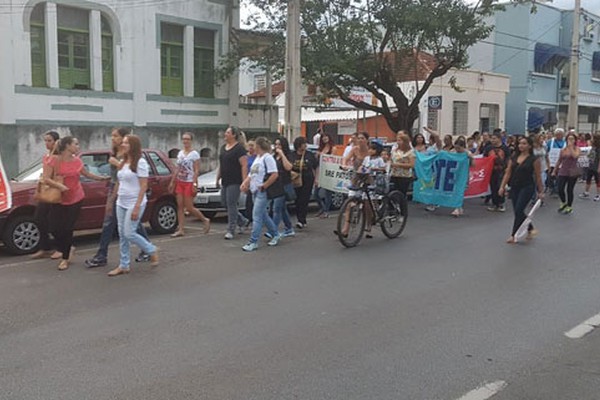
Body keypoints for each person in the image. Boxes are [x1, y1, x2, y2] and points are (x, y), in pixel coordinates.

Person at [85, 128, 152, 268]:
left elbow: (137, 180)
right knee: (123, 228)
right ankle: (121, 260)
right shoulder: (116, 153)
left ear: (124, 139)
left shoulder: (128, 157)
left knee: (120, 226)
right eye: (112, 136)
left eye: (115, 136)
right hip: (118, 191)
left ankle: (148, 250)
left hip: (126, 194)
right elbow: (117, 178)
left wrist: (116, 163)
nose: (112, 138)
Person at [43, 137, 109, 270]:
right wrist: (60, 186)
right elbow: (45, 178)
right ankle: (66, 248)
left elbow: (86, 174)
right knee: (54, 227)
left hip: (75, 198)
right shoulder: (54, 160)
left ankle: (65, 258)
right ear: (67, 146)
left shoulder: (77, 161)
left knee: (68, 229)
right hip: (59, 198)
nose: (78, 146)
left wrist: (101, 178)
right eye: (76, 144)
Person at [107, 135, 159, 276]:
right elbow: (119, 182)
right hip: (121, 202)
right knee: (122, 234)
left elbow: (143, 186)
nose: (122, 145)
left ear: (133, 146)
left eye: (126, 143)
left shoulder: (140, 163)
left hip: (135, 202)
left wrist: (137, 206)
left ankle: (151, 249)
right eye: (122, 143)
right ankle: (124, 265)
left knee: (129, 232)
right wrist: (112, 200)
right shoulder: (123, 162)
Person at [499, 136, 544, 243]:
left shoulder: (534, 159)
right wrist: (502, 186)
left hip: (527, 186)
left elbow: (538, 176)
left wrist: (540, 191)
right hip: (515, 187)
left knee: (519, 209)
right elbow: (508, 173)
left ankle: (514, 235)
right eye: (520, 143)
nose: (521, 146)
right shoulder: (513, 157)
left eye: (524, 143)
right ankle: (530, 228)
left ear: (529, 146)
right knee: (517, 211)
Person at [239, 137, 282, 252]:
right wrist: (245, 183)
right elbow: (251, 174)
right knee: (263, 215)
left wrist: (265, 185)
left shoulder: (268, 158)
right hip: (255, 190)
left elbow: (274, 174)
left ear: (258, 146)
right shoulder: (258, 158)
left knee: (256, 216)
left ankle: (253, 241)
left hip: (262, 191)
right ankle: (275, 234)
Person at [169, 132, 211, 238]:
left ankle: (204, 219)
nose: (185, 141)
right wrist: (172, 181)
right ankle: (181, 229)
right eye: (184, 139)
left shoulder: (194, 154)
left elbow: (196, 170)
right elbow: (177, 168)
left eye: (187, 139)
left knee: (189, 207)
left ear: (191, 141)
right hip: (180, 181)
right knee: (180, 206)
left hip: (189, 182)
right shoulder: (180, 153)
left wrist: (195, 183)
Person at [31, 131, 62, 260]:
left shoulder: (59, 157)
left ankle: (62, 248)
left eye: (49, 140)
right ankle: (45, 247)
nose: (46, 143)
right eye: (45, 140)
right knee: (38, 218)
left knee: (55, 222)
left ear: (56, 142)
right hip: (45, 190)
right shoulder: (47, 156)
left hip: (55, 191)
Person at [216, 126, 249, 239]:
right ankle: (242, 220)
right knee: (225, 203)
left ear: (234, 135)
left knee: (231, 204)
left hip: (235, 181)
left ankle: (231, 229)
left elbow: (244, 165)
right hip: (225, 180)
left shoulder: (239, 149)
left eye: (228, 132)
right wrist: (217, 178)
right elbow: (221, 165)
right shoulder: (223, 148)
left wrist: (244, 181)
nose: (225, 134)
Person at [289, 136, 318, 229]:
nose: (305, 145)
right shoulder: (292, 155)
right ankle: (300, 218)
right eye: (303, 143)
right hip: (296, 179)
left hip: (307, 179)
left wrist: (316, 179)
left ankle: (301, 220)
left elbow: (316, 166)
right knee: (297, 200)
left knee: (304, 199)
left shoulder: (309, 154)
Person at [270, 136, 296, 238]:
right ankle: (289, 228)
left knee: (276, 208)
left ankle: (273, 230)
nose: (277, 147)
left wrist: (282, 155)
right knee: (282, 208)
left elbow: (289, 167)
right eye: (276, 144)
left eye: (279, 144)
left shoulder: (288, 155)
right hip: (276, 185)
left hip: (284, 184)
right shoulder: (273, 157)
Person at [553, 132, 581, 214]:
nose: (570, 140)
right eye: (569, 139)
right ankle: (563, 202)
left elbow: (575, 156)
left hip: (573, 171)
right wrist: (554, 170)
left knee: (569, 189)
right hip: (563, 171)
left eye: (572, 139)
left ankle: (569, 206)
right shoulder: (563, 150)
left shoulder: (577, 149)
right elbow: (559, 161)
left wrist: (571, 147)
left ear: (575, 140)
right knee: (560, 188)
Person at [484, 131, 511, 212]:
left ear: (499, 139)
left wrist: (507, 168)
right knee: (493, 186)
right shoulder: (488, 148)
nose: (492, 140)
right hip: (491, 171)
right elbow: (485, 158)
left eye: (494, 138)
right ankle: (494, 203)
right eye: (492, 139)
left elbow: (508, 158)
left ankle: (501, 203)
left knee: (500, 186)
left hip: (501, 170)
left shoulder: (505, 148)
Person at [450, 138, 474, 217]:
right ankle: (458, 207)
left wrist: (471, 158)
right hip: (454, 174)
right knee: (455, 191)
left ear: (463, 147)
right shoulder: (452, 152)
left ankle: (457, 208)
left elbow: (473, 165)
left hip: (463, 174)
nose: (457, 150)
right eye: (456, 147)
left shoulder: (467, 153)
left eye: (459, 148)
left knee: (460, 191)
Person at [389, 132, 415, 196]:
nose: (398, 142)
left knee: (401, 194)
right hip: (394, 174)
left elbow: (412, 165)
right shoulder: (394, 150)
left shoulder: (410, 152)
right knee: (393, 193)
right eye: (397, 140)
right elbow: (391, 160)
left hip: (404, 176)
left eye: (400, 140)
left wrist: (399, 164)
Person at [315, 133, 334, 218]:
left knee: (327, 194)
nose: (324, 138)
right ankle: (322, 208)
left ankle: (326, 211)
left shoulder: (333, 148)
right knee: (316, 193)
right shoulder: (320, 149)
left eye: (326, 136)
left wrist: (323, 155)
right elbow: (317, 163)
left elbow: (333, 160)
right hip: (320, 171)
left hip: (328, 172)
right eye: (323, 137)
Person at [580, 133, 600, 201]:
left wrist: (599, 168)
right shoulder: (593, 147)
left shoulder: (598, 149)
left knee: (598, 181)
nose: (591, 139)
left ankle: (598, 194)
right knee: (588, 179)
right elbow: (590, 156)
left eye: (592, 138)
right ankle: (586, 192)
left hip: (596, 166)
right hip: (590, 165)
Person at [546, 128, 566, 195]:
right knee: (549, 176)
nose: (559, 136)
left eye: (560, 134)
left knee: (559, 177)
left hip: (561, 163)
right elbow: (546, 150)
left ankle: (556, 189)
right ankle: (551, 186)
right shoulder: (550, 142)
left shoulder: (565, 143)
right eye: (557, 134)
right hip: (551, 162)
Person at [532, 133, 550, 200]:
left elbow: (546, 157)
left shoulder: (544, 147)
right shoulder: (532, 148)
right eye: (540, 139)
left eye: (543, 139)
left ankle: (540, 196)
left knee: (542, 181)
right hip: (533, 167)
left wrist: (548, 165)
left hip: (543, 167)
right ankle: (534, 197)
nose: (542, 140)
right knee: (534, 183)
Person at [243, 140, 257, 224]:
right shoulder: (246, 157)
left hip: (254, 179)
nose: (251, 147)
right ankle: (248, 217)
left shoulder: (257, 157)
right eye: (249, 146)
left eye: (252, 146)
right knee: (248, 201)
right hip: (248, 179)